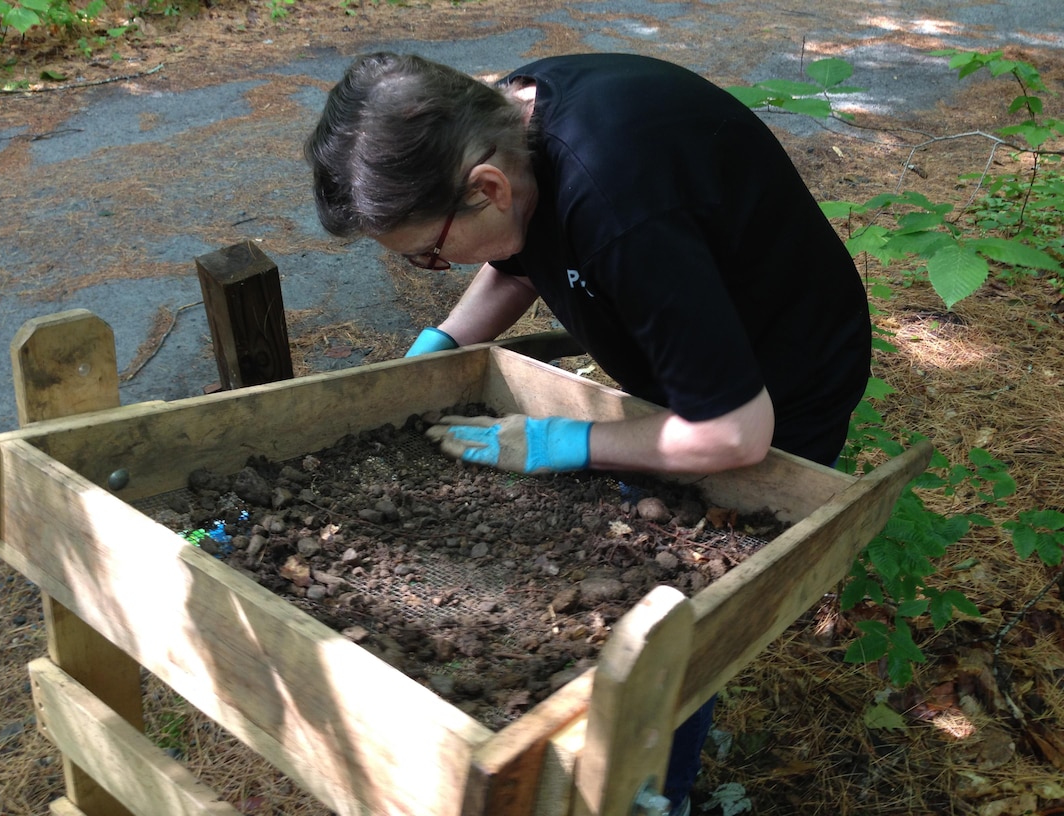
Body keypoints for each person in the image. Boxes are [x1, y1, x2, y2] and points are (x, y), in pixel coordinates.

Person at [306, 51, 871, 814]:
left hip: (778, 382)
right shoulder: (507, 121)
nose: (437, 266)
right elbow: (523, 253)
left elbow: (737, 433)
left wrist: (555, 441)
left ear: (487, 187)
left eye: (429, 255)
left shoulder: (620, 203)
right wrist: (441, 346)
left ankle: (652, 790)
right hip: (692, 352)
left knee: (679, 607)